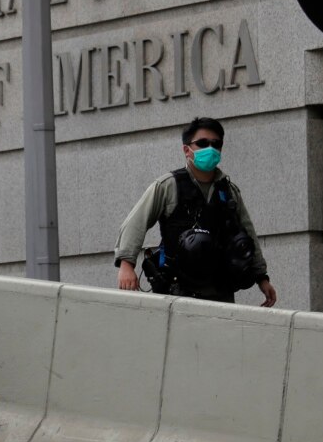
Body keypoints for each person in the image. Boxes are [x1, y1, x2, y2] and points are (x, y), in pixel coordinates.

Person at [113, 116, 278, 306]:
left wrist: (261, 278)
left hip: (220, 291)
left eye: (216, 144)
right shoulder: (168, 186)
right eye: (202, 143)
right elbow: (136, 222)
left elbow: (248, 234)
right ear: (187, 150)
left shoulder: (228, 191)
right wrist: (126, 265)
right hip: (177, 292)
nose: (211, 148)